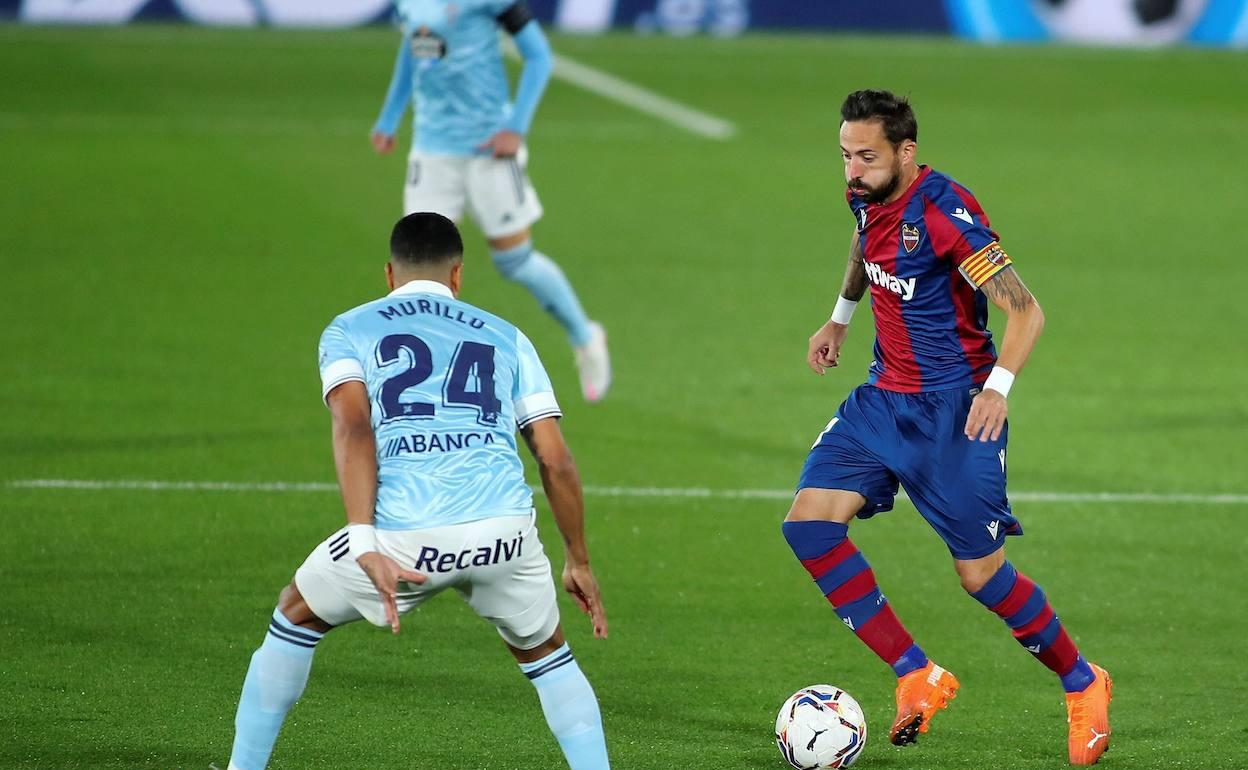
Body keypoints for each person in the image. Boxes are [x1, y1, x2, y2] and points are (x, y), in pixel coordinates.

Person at [780, 90, 1112, 765]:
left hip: (954, 411)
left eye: (867, 157)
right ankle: (915, 673)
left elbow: (1027, 312)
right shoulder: (865, 192)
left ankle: (1084, 681)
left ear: (906, 152)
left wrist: (997, 389)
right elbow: (862, 237)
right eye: (846, 155)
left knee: (981, 577)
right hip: (882, 401)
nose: (853, 170)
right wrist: (840, 317)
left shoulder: (945, 214)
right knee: (809, 526)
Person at [224, 213, 610, 770]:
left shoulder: (349, 329)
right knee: (549, 656)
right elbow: (555, 458)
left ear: (389, 274)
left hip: (407, 538)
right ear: (457, 276)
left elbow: (354, 429)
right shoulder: (507, 335)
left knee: (295, 615)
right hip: (506, 534)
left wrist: (364, 541)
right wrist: (578, 559)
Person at [370, 0, 611, 402]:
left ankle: (586, 338)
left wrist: (515, 127)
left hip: (488, 149)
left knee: (515, 262)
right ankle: (431, 384)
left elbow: (539, 55)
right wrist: (390, 117)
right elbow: (415, 48)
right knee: (420, 271)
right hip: (432, 152)